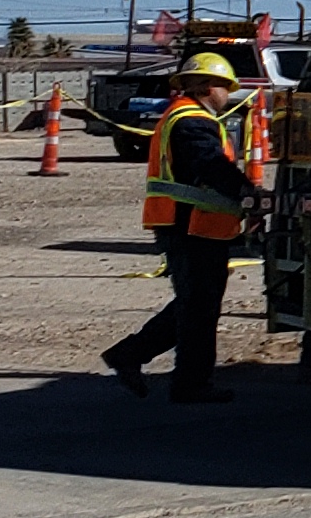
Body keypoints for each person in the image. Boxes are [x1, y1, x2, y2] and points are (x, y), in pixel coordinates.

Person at [104, 50, 259, 407]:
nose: (229, 94)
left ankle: (132, 356)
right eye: (225, 86)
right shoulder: (192, 122)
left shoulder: (187, 117)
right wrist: (248, 193)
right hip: (190, 225)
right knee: (199, 309)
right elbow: (210, 166)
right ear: (207, 86)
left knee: (195, 304)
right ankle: (189, 383)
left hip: (190, 225)